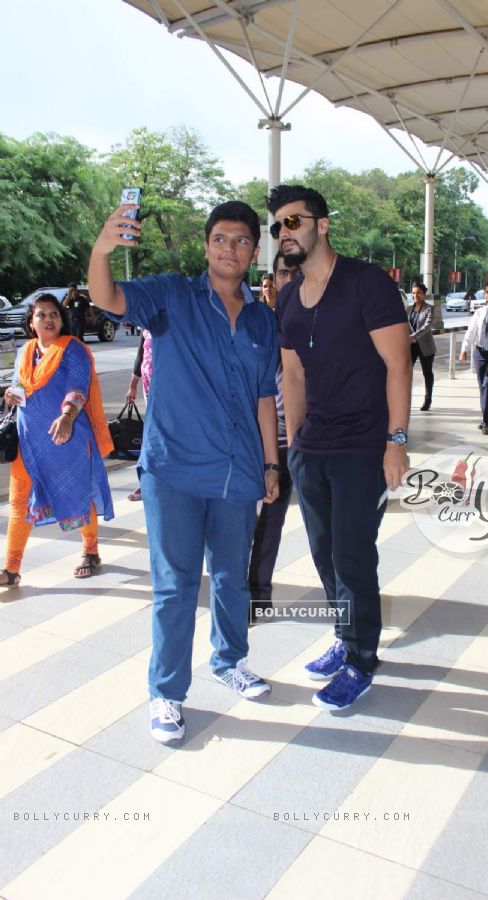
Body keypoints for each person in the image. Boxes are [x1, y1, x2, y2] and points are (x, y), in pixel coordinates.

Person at [88, 199, 280, 745]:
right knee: (174, 586)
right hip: (173, 469)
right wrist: (103, 249)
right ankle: (166, 693)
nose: (230, 248)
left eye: (242, 240)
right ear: (206, 246)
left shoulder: (264, 319)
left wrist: (270, 462)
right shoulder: (173, 295)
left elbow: (265, 396)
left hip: (237, 471)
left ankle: (230, 660)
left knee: (230, 578)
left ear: (254, 251)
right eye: (220, 238)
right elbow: (108, 297)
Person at [267, 184, 411, 712]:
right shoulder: (287, 297)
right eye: (279, 225)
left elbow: (399, 364)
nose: (286, 232)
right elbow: (293, 373)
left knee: (352, 556)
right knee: (325, 554)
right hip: (313, 450)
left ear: (321, 225)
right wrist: (294, 444)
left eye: (295, 221)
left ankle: (361, 660)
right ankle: (344, 632)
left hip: (362, 446)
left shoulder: (365, 283)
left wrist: (396, 441)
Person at [1, 293, 114, 586]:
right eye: (42, 314)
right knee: (19, 501)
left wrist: (67, 416)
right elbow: (19, 388)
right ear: (31, 323)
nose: (49, 319)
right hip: (29, 441)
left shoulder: (72, 349)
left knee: (78, 492)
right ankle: (11, 569)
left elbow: (78, 388)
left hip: (67, 438)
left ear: (61, 320)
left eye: (54, 314)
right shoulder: (25, 352)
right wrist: (10, 395)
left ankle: (90, 550)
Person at [249, 251, 300, 622]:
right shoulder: (260, 324)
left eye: (297, 272)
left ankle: (346, 616)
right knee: (268, 520)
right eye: (284, 273)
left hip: (319, 442)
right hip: (273, 442)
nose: (291, 279)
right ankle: (257, 595)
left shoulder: (326, 321)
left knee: (330, 532)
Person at [459, 281, 488, 434]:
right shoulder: (479, 312)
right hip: (480, 352)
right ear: (484, 294)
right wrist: (464, 349)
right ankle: (487, 418)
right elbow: (471, 332)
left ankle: (487, 421)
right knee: (482, 386)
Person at [125, 329, 152, 501]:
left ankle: (149, 483)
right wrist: (133, 385)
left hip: (171, 391)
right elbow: (140, 354)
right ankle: (146, 483)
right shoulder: (147, 323)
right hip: (149, 391)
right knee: (149, 437)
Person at [408, 281, 435, 411]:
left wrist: (414, 335)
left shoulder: (430, 308)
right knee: (406, 373)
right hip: (410, 346)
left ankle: (428, 399)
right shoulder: (408, 309)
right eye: (413, 293)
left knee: (427, 373)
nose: (416, 295)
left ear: (424, 294)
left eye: (419, 293)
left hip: (426, 347)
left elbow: (427, 326)